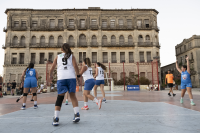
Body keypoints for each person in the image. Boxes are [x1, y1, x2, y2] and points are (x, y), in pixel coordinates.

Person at [49, 43, 80, 126]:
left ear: (62, 49)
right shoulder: (72, 56)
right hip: (71, 77)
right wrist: (78, 75)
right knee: (72, 96)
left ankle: (56, 118)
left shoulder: (58, 56)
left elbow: (52, 68)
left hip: (61, 78)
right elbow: (75, 66)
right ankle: (76, 114)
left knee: (60, 97)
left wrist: (50, 75)